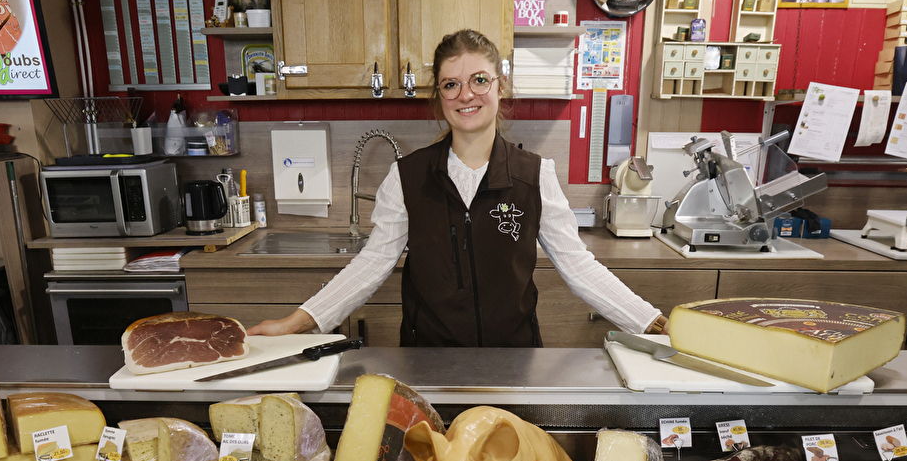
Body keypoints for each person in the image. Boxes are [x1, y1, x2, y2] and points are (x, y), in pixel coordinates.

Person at [246, 29, 669, 347]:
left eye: (479, 80)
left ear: (500, 86)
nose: (466, 95)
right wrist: (297, 322)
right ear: (440, 97)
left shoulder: (535, 175)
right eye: (451, 84)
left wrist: (651, 322)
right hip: (427, 361)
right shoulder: (407, 177)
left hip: (514, 359)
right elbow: (371, 264)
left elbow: (578, 266)